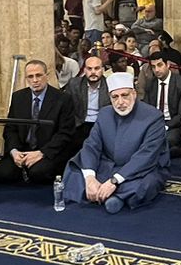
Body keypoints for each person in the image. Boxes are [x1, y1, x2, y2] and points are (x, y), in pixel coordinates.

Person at [61, 71, 169, 212]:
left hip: (140, 169)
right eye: (115, 97)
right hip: (109, 164)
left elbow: (147, 156)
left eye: (125, 95)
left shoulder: (153, 117)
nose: (120, 102)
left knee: (147, 183)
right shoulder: (104, 113)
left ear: (134, 94)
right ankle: (110, 194)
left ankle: (111, 195)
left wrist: (114, 181)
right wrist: (90, 178)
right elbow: (92, 145)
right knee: (75, 168)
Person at [0, 58, 76, 185]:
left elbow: (65, 133)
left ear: (46, 76)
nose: (35, 80)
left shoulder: (63, 99)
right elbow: (10, 129)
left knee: (38, 173)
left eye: (38, 75)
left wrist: (41, 153)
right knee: (2, 174)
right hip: (22, 149)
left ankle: (28, 172)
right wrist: (14, 152)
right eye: (30, 77)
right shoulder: (18, 97)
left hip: (46, 150)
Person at [141, 54, 181, 155]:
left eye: (159, 65)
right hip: (154, 123)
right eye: (153, 67)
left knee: (166, 139)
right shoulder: (150, 84)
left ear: (168, 64)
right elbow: (147, 110)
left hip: (173, 124)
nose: (156, 70)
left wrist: (165, 126)